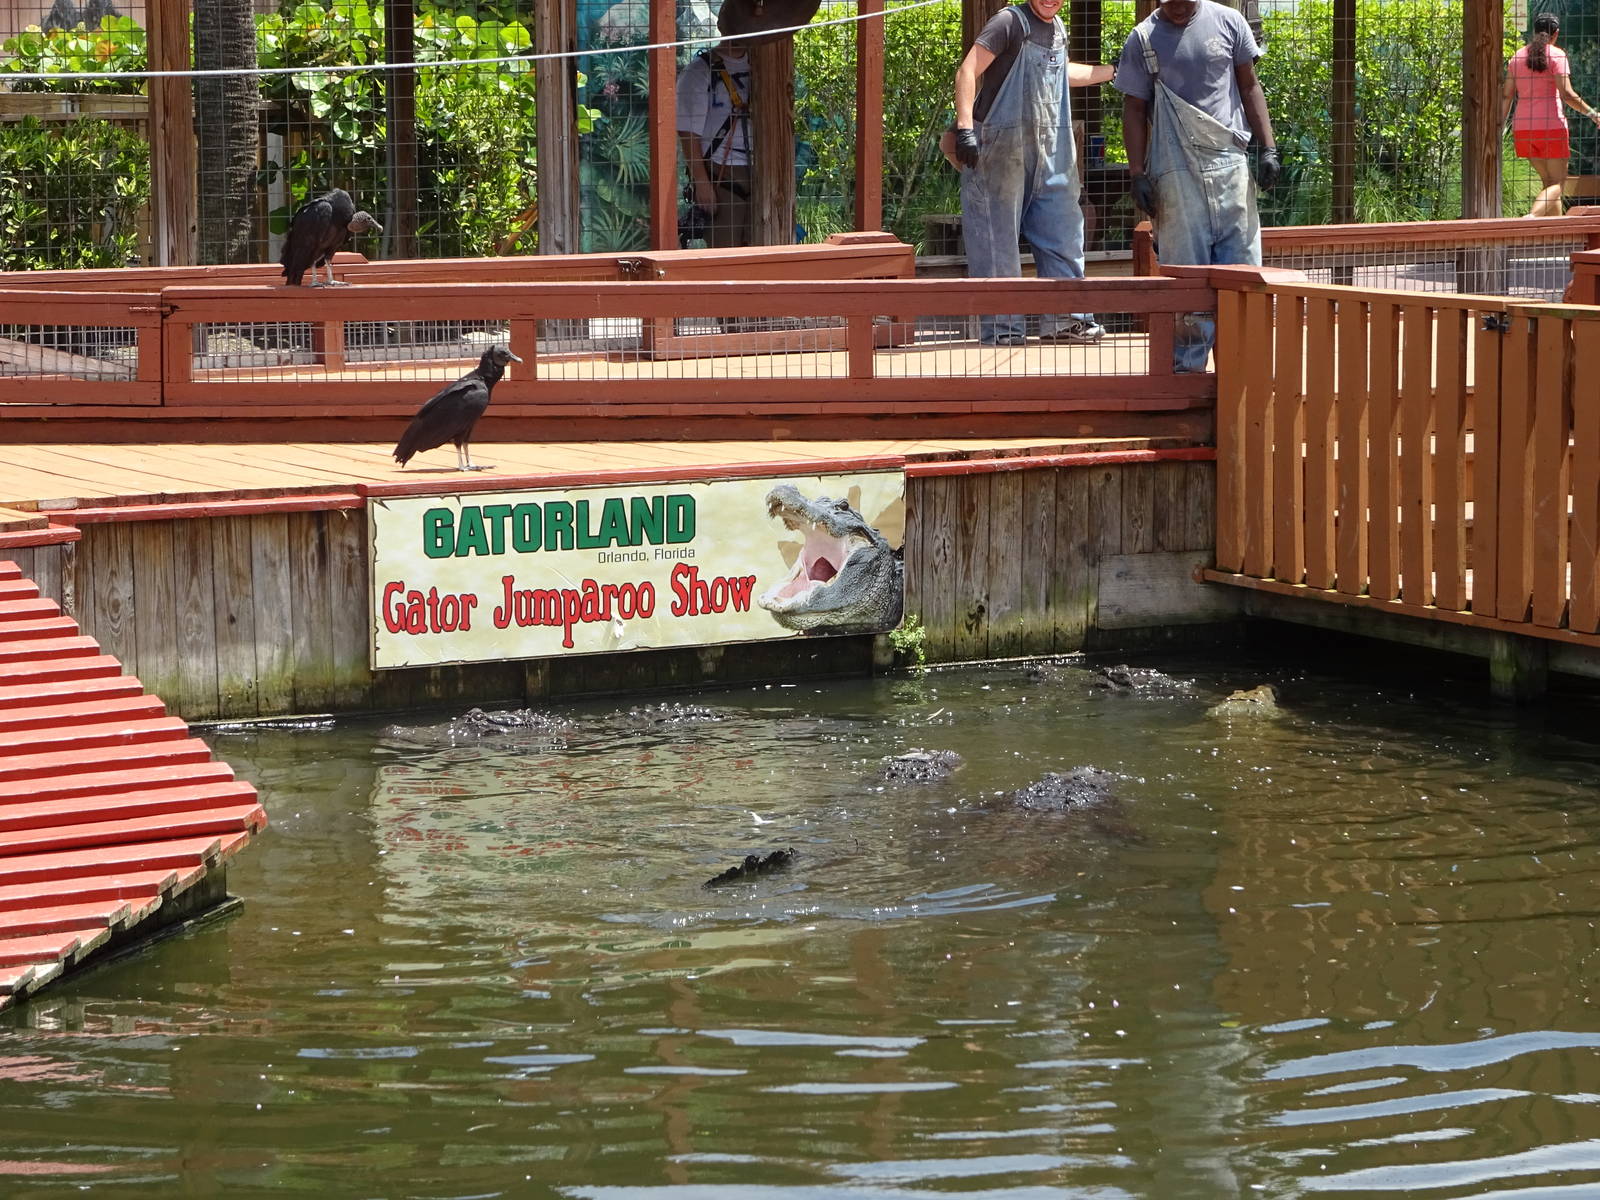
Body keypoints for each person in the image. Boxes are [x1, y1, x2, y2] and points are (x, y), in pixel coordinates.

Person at [1115, 0, 1280, 373]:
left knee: (1243, 274)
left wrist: (1267, 147)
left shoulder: (1229, 23)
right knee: (1186, 280)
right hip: (1175, 174)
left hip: (1230, 166)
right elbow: (1135, 108)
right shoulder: (1143, 39)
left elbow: (1249, 84)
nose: (1178, 7)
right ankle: (1185, 379)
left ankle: (1244, 373)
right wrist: (1137, 173)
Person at [950, 0, 1116, 346]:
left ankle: (1066, 320)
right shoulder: (1008, 22)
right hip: (998, 150)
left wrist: (1113, 71)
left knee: (1063, 230)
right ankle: (1003, 331)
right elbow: (968, 70)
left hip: (1049, 150)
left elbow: (1060, 71)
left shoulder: (1057, 28)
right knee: (997, 243)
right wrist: (965, 128)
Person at [1503, 13, 1600, 219]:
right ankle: (1532, 217)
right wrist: (1593, 113)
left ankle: (1557, 236)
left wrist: (1498, 126)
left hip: (1523, 128)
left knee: (1548, 183)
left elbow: (1507, 95)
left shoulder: (1517, 57)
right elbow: (1567, 94)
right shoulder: (1557, 55)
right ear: (1556, 33)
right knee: (1558, 183)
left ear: (1533, 31)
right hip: (1551, 127)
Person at [677, 39, 753, 248]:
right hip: (722, 174)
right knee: (727, 254)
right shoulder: (698, 71)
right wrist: (701, 182)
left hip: (760, 171)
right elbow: (687, 133)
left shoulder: (762, 64)